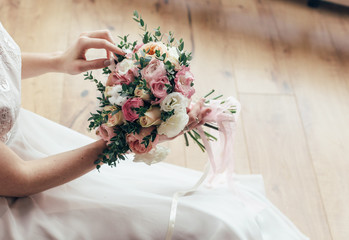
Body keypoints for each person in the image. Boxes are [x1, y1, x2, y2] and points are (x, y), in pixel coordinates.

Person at [0, 22, 309, 239]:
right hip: (18, 192)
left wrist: (58, 60)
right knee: (212, 224)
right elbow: (19, 179)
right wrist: (128, 139)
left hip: (28, 145)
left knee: (217, 206)